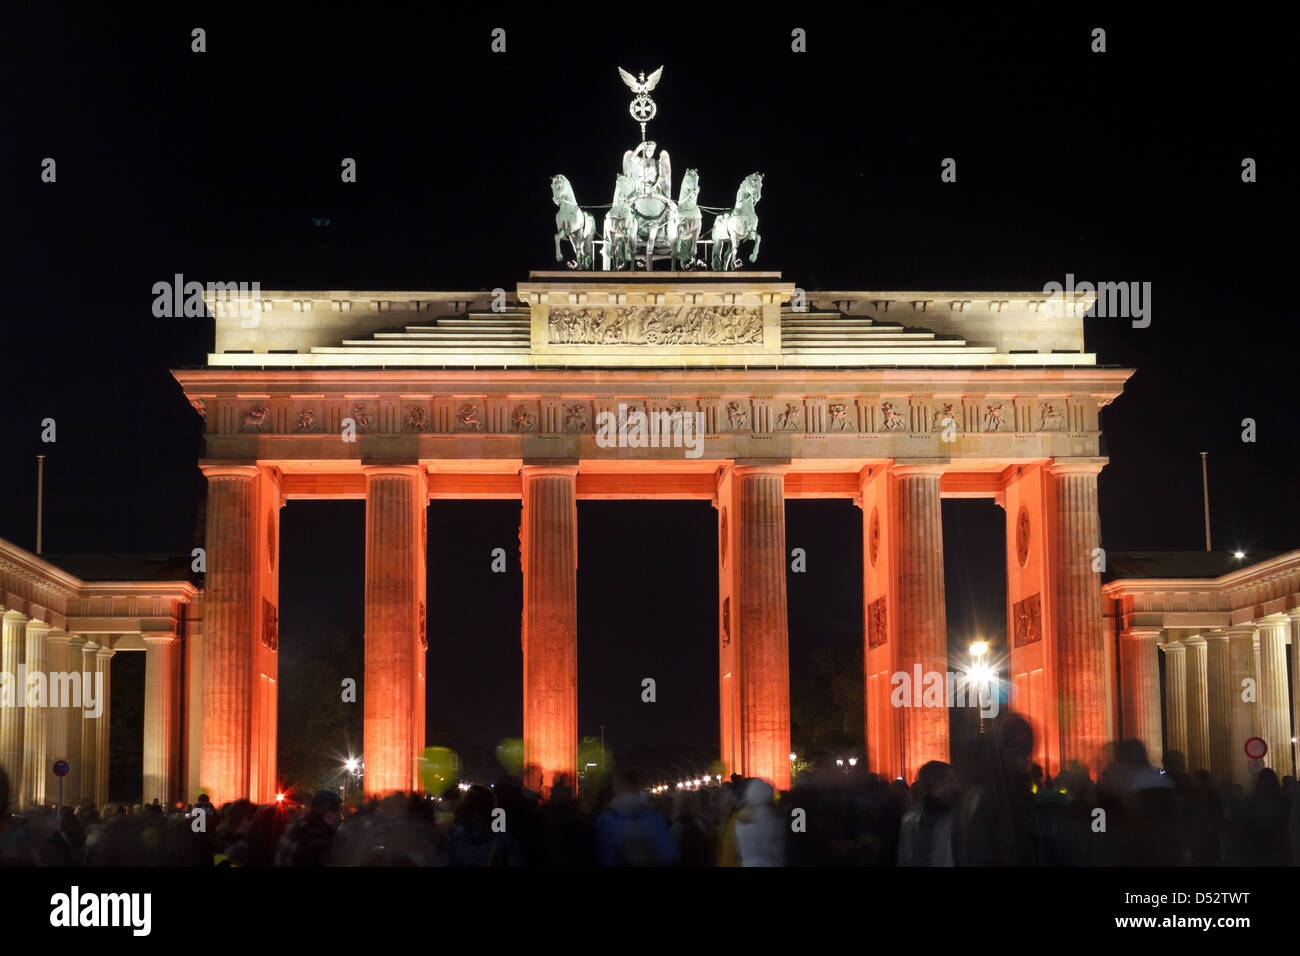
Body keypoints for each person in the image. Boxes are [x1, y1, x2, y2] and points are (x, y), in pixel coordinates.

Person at [596, 770, 676, 866]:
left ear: (617, 788)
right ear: (638, 787)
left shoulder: (606, 818)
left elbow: (602, 855)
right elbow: (668, 853)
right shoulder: (652, 816)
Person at [897, 760, 957, 866]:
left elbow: (903, 854)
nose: (955, 784)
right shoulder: (944, 815)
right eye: (951, 780)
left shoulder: (909, 815)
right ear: (939, 783)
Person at [275, 791, 342, 866]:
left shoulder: (296, 826)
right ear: (330, 815)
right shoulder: (318, 840)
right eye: (339, 813)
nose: (340, 817)